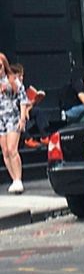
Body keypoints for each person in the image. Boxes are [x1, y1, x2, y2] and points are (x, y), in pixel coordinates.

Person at [0, 53, 29, 193]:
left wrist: (22, 118)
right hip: (1, 118)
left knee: (12, 149)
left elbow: (23, 98)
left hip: (12, 116)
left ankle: (18, 179)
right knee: (5, 151)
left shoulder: (11, 79)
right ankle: (14, 179)